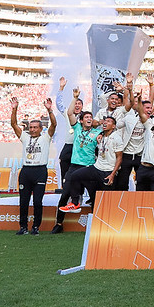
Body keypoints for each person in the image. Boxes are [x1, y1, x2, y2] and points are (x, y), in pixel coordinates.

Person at [51, 88, 101, 234]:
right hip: (74, 167)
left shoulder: (97, 132)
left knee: (94, 198)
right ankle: (58, 224)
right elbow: (69, 113)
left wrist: (99, 126)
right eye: (86, 117)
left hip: (89, 168)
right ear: (81, 120)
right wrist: (75, 97)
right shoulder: (77, 128)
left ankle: (97, 226)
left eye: (91, 118)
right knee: (65, 194)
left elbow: (107, 125)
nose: (89, 119)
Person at [10, 96, 56, 235]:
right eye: (30, 127)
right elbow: (13, 124)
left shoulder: (46, 137)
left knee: (37, 200)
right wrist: (14, 109)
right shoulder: (25, 137)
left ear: (41, 128)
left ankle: (36, 226)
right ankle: (23, 227)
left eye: (35, 127)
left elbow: (54, 124)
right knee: (23, 201)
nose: (32, 129)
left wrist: (49, 111)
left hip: (40, 171)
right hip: (26, 171)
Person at [59, 116, 123, 214]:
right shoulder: (100, 136)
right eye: (105, 121)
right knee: (75, 175)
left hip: (108, 171)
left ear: (114, 126)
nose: (105, 123)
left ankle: (106, 222)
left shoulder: (117, 138)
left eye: (109, 122)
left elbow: (119, 157)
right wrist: (101, 133)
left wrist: (113, 174)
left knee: (104, 200)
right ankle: (75, 203)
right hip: (96, 168)